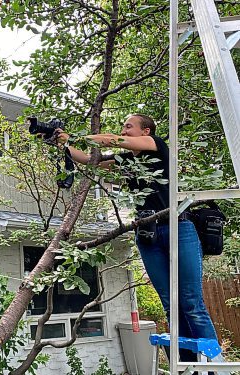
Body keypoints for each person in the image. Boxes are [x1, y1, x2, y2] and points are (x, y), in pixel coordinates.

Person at [55, 114, 218, 362]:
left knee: (191, 303)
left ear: (146, 132)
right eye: (123, 127)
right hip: (148, 236)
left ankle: (214, 363)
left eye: (129, 126)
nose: (124, 130)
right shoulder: (127, 162)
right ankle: (186, 364)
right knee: (170, 305)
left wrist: (75, 136)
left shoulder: (156, 145)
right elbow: (90, 160)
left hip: (178, 229)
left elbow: (112, 140)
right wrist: (64, 143)